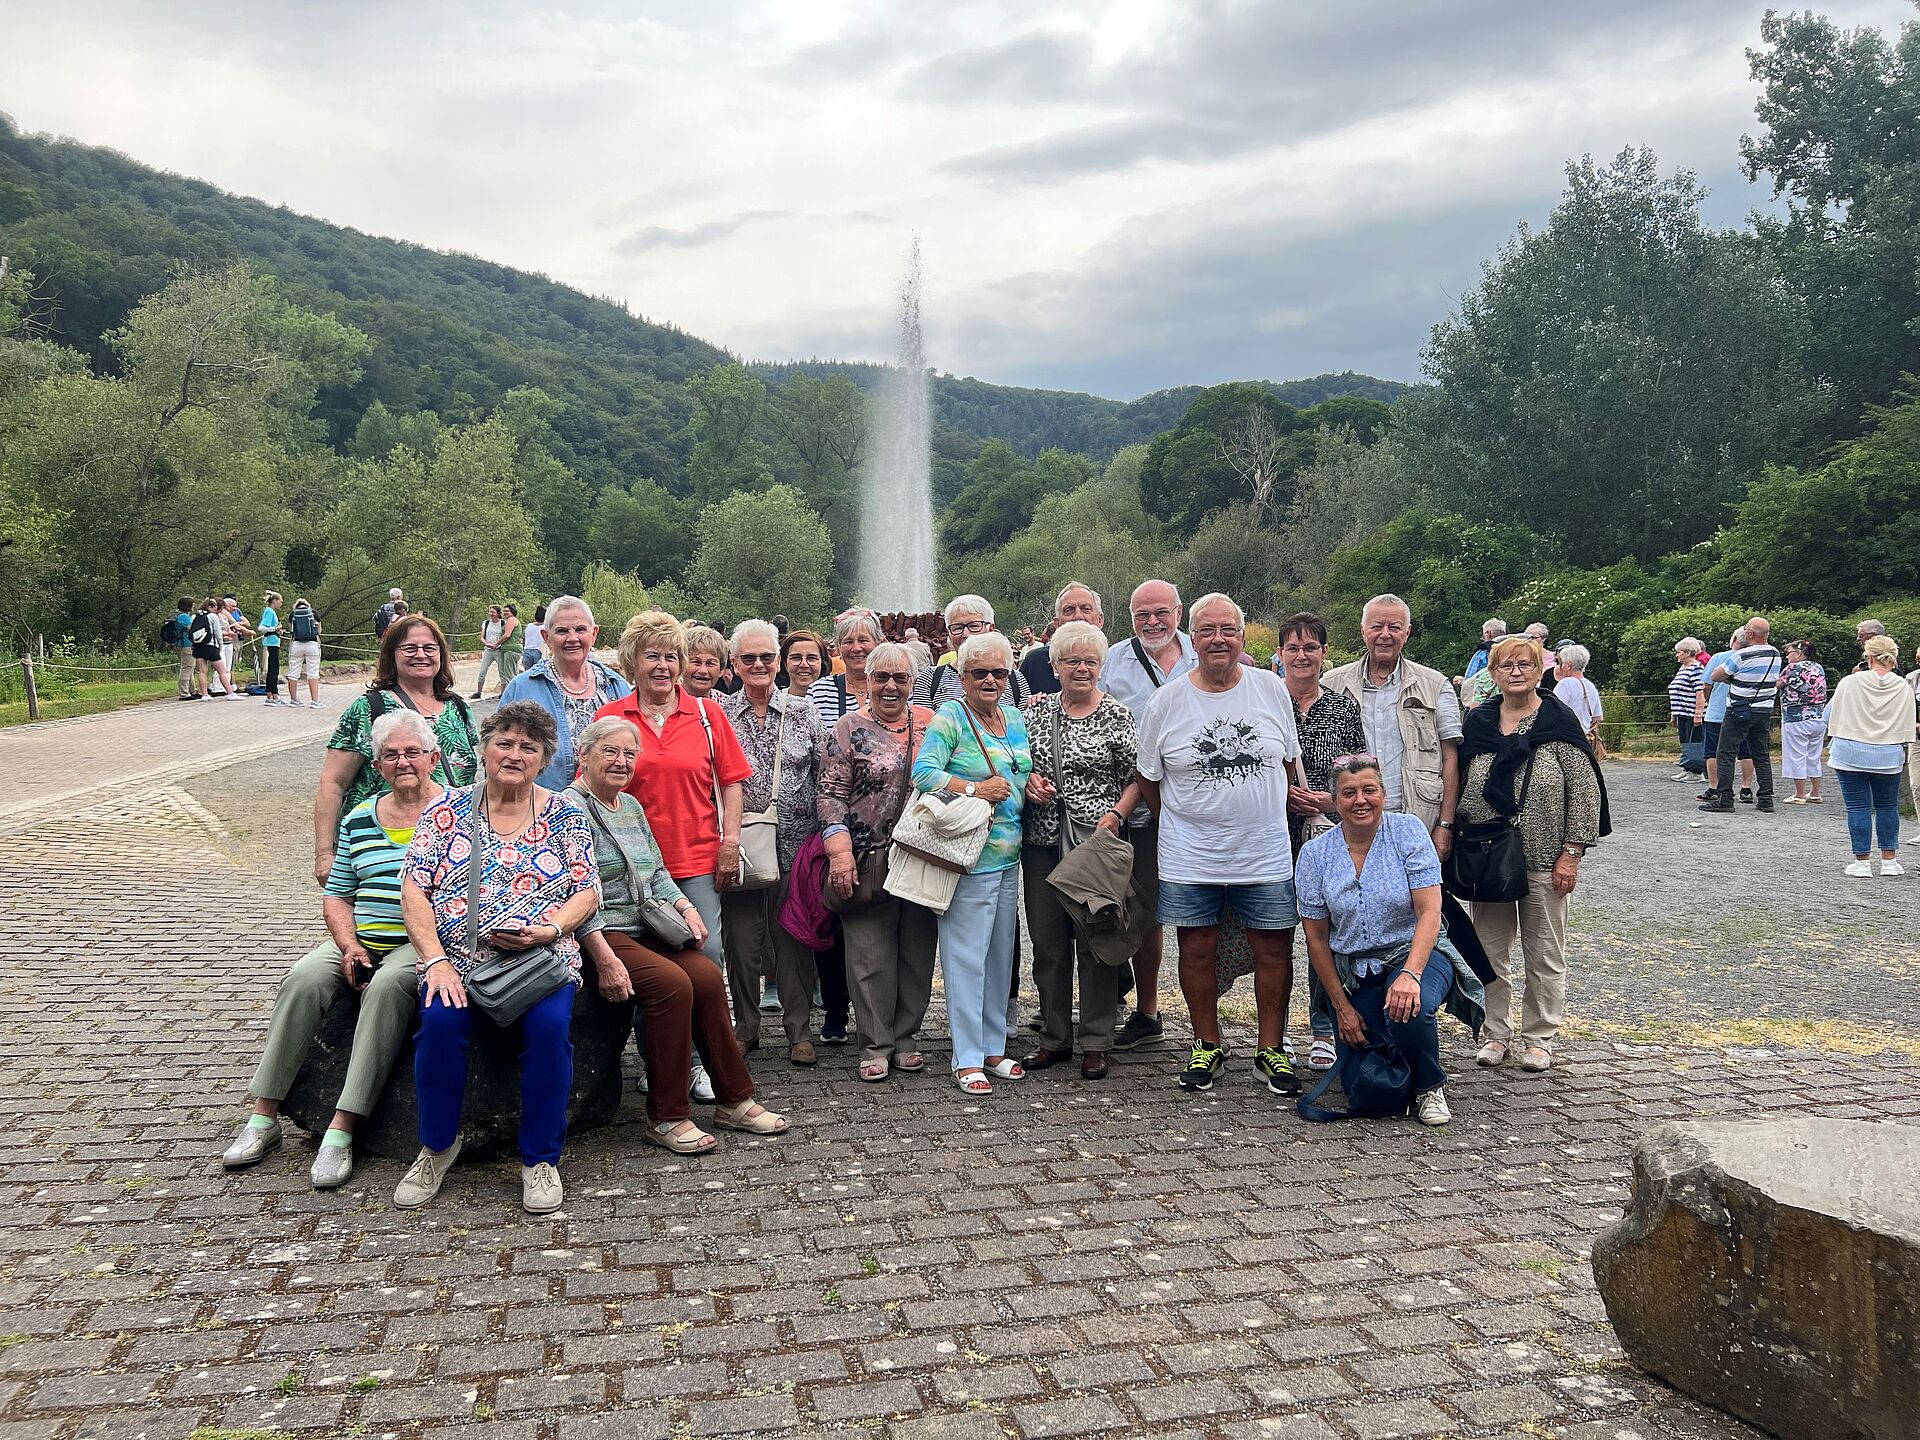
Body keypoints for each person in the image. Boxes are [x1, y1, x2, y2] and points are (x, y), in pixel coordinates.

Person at [221, 712, 445, 1187]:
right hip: (362, 936)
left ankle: (343, 1127)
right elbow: (338, 894)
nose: (402, 762)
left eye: (412, 752)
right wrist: (347, 945)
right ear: (378, 765)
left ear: (434, 756)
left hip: (421, 942)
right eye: (390, 755)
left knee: (386, 988)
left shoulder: (456, 814)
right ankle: (264, 1116)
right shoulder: (361, 817)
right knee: (303, 979)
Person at [396, 701, 599, 1214]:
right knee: (440, 1025)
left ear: (543, 758)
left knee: (551, 1032)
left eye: (528, 747)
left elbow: (587, 890)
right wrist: (435, 960)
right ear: (483, 751)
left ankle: (540, 1159)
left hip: (539, 960)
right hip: (459, 963)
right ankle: (438, 1146)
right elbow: (414, 890)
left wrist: (548, 930)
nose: (514, 754)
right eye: (504, 743)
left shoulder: (565, 813)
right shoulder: (445, 812)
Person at [568, 717, 789, 1150]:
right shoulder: (568, 809)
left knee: (706, 973)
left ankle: (733, 1100)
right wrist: (603, 955)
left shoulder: (629, 806)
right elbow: (572, 889)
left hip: (646, 923)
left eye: (629, 754)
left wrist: (686, 907)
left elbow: (658, 871)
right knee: (670, 984)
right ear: (584, 756)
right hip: (598, 931)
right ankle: (666, 1116)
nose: (621, 761)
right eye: (609, 752)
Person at [1135, 593, 1304, 1095]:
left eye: (1228, 629)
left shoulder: (1270, 689)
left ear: (1242, 633)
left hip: (1264, 848)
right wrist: (1178, 824)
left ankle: (1270, 1049)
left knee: (1274, 947)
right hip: (1191, 853)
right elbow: (1148, 777)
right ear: (1192, 635)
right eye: (1207, 630)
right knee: (1197, 947)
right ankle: (1207, 1043)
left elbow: (1287, 761)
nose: (1218, 640)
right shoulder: (1166, 701)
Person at [593, 612, 750, 1089]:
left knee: (707, 956)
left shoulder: (706, 715)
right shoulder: (612, 719)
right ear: (632, 661)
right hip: (631, 869)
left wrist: (731, 842)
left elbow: (731, 783)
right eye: (651, 655)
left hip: (696, 858)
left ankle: (699, 1064)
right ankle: (660, 1064)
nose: (662, 665)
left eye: (670, 656)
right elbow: (595, 788)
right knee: (651, 966)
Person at [1296, 755, 1486, 1127]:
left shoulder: (1408, 832)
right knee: (1363, 1086)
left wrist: (1410, 975)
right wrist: (1341, 1009)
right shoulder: (1314, 854)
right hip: (1354, 967)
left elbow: (1430, 913)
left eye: (1369, 790)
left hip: (1415, 949)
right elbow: (1316, 940)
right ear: (1334, 802)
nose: (1360, 800)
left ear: (1383, 794)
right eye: (1348, 793)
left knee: (1408, 1007)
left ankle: (1430, 1086)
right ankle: (1401, 1070)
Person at [1458, 635, 1608, 1073]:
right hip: (1489, 857)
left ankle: (1539, 1038)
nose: (1516, 671)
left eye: (1524, 664)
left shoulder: (1558, 721)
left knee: (1544, 953)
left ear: (1540, 669)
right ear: (1494, 673)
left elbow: (1584, 791)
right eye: (1507, 665)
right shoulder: (1480, 723)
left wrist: (1572, 852)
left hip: (1545, 858)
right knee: (1489, 950)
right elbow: (1462, 779)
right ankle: (1495, 1033)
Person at [911, 630, 1033, 1094]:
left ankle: (994, 1046)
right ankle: (966, 1056)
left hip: (1008, 856)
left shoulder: (1015, 719)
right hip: (965, 856)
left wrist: (1032, 783)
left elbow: (1017, 770)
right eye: (979, 672)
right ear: (961, 676)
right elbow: (924, 773)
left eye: (999, 672)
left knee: (1001, 955)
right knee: (965, 957)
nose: (989, 679)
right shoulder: (951, 717)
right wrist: (974, 789)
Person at [1017, 621, 1137, 1080]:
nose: (1081, 668)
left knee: (1095, 940)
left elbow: (1136, 778)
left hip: (1094, 846)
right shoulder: (1035, 713)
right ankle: (1053, 1036)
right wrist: (1028, 781)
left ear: (1101, 667)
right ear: (1054, 666)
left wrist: (1116, 817)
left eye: (1090, 661)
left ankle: (1095, 1039)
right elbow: (1016, 760)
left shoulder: (1118, 716)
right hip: (1042, 842)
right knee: (1048, 944)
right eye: (1072, 661)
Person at [820, 643, 939, 1081]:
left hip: (924, 854)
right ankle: (874, 1043)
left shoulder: (931, 723)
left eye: (900, 678)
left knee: (917, 950)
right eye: (881, 678)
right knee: (869, 954)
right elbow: (830, 794)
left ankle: (906, 1038)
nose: (890, 687)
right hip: (866, 857)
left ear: (912, 682)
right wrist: (839, 852)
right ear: (866, 681)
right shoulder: (847, 728)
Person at [718, 619, 828, 1062]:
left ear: (778, 662)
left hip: (796, 842)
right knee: (742, 943)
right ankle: (745, 1026)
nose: (759, 664)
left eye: (766, 657)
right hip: (741, 843)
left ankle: (798, 1030)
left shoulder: (805, 712)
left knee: (793, 940)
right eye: (749, 658)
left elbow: (825, 776)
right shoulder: (720, 714)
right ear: (735, 663)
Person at [1098, 578, 1197, 1054]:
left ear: (1179, 611)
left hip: (1199, 809)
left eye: (1161, 612)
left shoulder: (1209, 655)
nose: (1152, 622)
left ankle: (1204, 1020)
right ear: (1129, 616)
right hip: (1134, 810)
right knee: (1142, 912)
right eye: (1142, 615)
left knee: (1202, 914)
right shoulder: (1111, 662)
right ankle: (1147, 1010)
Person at [315, 616, 480, 886]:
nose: (421, 655)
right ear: (392, 655)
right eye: (410, 648)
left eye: (429, 648)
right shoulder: (368, 708)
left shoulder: (458, 708)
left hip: (448, 844)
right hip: (381, 844)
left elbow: (466, 781)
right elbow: (333, 783)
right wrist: (324, 853)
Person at [1276, 612, 1368, 1073]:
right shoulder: (1266, 702)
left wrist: (1329, 800)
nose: (1301, 655)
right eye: (1292, 647)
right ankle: (1271, 1031)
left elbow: (1359, 773)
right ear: (1279, 654)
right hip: (1273, 834)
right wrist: (1283, 797)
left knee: (1324, 933)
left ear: (1324, 653)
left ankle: (1322, 1027)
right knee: (1272, 934)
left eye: (1310, 647)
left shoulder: (1343, 707)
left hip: (1326, 835)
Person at [1322, 594, 1462, 857]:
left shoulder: (1435, 685)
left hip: (1415, 820)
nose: (1385, 634)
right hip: (1349, 822)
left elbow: (1450, 757)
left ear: (1407, 633)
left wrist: (1445, 825)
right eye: (1377, 627)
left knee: (1417, 898)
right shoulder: (1332, 684)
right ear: (1363, 631)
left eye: (1394, 627)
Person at [499, 596, 632, 791]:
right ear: (546, 637)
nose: (572, 638)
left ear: (594, 633)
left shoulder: (615, 685)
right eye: (562, 631)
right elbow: (499, 754)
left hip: (606, 813)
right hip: (542, 811)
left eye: (580, 629)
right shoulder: (522, 688)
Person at [1826, 635, 1908, 876]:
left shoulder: (1849, 682)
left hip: (1850, 750)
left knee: (1857, 807)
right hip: (1888, 752)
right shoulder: (1902, 685)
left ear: (1868, 657)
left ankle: (1861, 862)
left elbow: (1831, 714)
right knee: (1887, 806)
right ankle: (1889, 861)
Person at [1701, 616, 1782, 814]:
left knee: (1726, 753)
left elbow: (1716, 676)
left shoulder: (1742, 655)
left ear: (1750, 634)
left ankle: (1725, 798)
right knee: (1760, 754)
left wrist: (1732, 679)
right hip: (1763, 709)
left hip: (1739, 708)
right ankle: (1765, 799)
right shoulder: (1775, 654)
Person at [912, 595, 1034, 709]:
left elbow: (1024, 727)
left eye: (974, 626)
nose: (966, 634)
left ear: (991, 629)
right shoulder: (930, 679)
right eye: (957, 628)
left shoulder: (1015, 679)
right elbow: (922, 726)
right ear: (949, 633)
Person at [1694, 627, 1755, 803]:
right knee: (1745, 751)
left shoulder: (1719, 657)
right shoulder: (1752, 658)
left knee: (1712, 752)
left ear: (1734, 638)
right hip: (1744, 711)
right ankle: (1746, 788)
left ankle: (1714, 786)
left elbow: (1706, 684)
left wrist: (1705, 702)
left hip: (1717, 712)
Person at [1019, 583, 1103, 699]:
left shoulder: (1116, 661)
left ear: (1100, 619)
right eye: (1069, 610)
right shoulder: (1035, 663)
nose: (1078, 616)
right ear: (1056, 623)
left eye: (1086, 609)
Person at [811, 609, 881, 728]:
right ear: (838, 647)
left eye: (863, 640)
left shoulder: (896, 689)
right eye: (848, 642)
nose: (856, 648)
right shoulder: (817, 692)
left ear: (878, 643)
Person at [1778, 640, 1828, 805]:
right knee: (1814, 755)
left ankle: (1799, 794)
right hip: (1818, 717)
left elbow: (1777, 684)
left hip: (1796, 718)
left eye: (1789, 653)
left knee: (1797, 755)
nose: (1787, 656)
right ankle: (1815, 792)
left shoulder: (1792, 668)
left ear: (1798, 654)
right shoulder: (1818, 667)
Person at [1666, 637, 1707, 782]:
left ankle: (1696, 771)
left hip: (1691, 712)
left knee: (1694, 742)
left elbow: (1699, 692)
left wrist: (1698, 713)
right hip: (1681, 713)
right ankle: (1687, 769)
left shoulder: (1696, 668)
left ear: (1688, 652)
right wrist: (1674, 714)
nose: (1677, 655)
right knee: (1685, 741)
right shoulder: (1683, 668)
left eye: (1679, 652)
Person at [1552, 644, 1604, 744]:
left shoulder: (1565, 684)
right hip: (1584, 740)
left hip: (1566, 739)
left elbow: (1553, 710)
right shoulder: (1590, 686)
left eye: (1562, 663)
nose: (1561, 666)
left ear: (1568, 665)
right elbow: (1597, 718)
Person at [189, 598, 234, 701]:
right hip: (210, 646)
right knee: (222, 671)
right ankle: (230, 693)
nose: (215, 610)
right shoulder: (212, 616)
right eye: (215, 607)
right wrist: (220, 646)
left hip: (198, 646)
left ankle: (205, 694)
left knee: (202, 671)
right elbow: (217, 633)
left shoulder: (194, 616)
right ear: (211, 607)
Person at [284, 598, 324, 709]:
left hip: (296, 644)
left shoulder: (293, 614)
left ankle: (294, 700)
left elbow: (291, 630)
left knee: (293, 672)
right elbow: (319, 631)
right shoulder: (313, 613)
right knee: (313, 672)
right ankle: (315, 701)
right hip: (312, 644)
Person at [1457, 617, 1507, 690]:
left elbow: (1468, 682)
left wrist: (1461, 681)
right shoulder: (1514, 650)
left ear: (1488, 634)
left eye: (1483, 636)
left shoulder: (1482, 654)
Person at [781, 628, 828, 701]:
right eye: (796, 658)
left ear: (822, 662)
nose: (804, 664)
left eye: (811, 658)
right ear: (785, 663)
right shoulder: (772, 702)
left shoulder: (835, 702)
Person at [683, 625, 729, 699]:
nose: (703, 671)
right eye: (696, 662)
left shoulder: (728, 706)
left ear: (721, 670)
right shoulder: (665, 704)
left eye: (710, 663)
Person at [472, 605, 506, 699]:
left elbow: (505, 635)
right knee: (482, 671)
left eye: (493, 612)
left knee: (502, 672)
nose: (491, 614)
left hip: (499, 650)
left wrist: (497, 643)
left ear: (498, 614)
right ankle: (478, 692)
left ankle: (503, 693)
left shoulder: (503, 623)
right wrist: (486, 643)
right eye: (490, 612)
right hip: (488, 650)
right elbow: (482, 636)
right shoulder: (486, 623)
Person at [257, 591, 284, 705]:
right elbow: (262, 627)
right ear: (274, 601)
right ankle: (271, 695)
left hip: (274, 641)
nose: (281, 603)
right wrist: (275, 629)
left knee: (274, 668)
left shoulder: (271, 612)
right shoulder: (269, 611)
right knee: (273, 669)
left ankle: (273, 694)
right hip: (271, 642)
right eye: (280, 601)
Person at [170, 596, 197, 700]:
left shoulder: (178, 615)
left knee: (190, 667)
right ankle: (184, 693)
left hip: (183, 644)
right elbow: (192, 628)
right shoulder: (183, 617)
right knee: (186, 668)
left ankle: (192, 690)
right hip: (186, 644)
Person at [497, 603, 523, 687]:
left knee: (509, 675)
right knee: (514, 673)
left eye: (507, 611)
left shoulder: (511, 620)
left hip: (510, 650)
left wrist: (496, 644)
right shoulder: (511, 620)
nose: (505, 613)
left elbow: (507, 635)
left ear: (512, 611)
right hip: (511, 650)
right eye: (503, 611)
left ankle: (513, 695)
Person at [520, 604, 547, 672]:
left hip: (527, 650)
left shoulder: (528, 626)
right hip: (539, 651)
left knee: (527, 672)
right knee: (538, 671)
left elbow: (523, 638)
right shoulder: (545, 628)